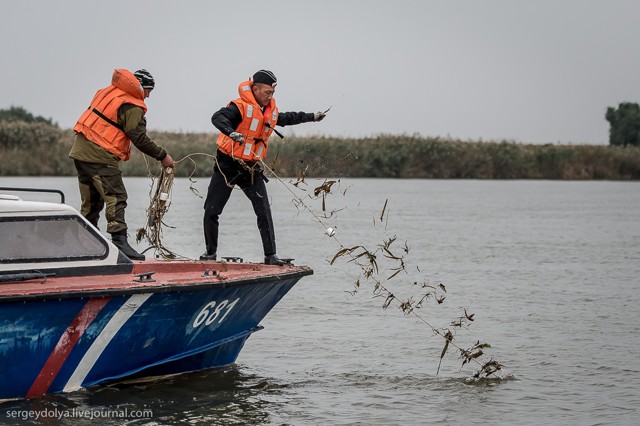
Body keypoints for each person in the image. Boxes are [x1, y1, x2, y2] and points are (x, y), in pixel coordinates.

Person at [202, 69, 326, 265]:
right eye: (267, 92)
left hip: (250, 168)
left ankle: (271, 256)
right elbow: (217, 117)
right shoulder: (239, 107)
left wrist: (313, 116)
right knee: (211, 210)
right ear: (255, 88)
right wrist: (231, 132)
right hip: (227, 164)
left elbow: (289, 117)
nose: (270, 96)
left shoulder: (270, 112)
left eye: (273, 93)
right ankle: (210, 254)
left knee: (264, 211)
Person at [69, 68, 175, 261]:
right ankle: (119, 242)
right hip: (99, 155)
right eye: (148, 90)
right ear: (140, 87)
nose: (149, 95)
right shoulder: (131, 104)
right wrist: (163, 156)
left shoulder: (109, 93)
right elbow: (139, 138)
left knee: (92, 203)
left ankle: (83, 244)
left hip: (80, 151)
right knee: (116, 196)